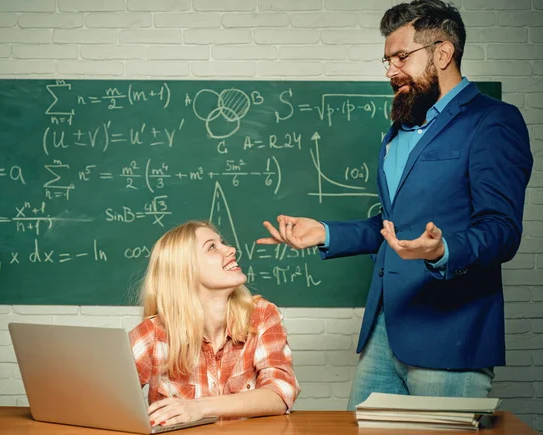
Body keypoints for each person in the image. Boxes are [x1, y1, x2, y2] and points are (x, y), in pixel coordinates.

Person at [258, 0, 533, 410]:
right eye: (386, 60)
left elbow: (502, 230)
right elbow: (393, 225)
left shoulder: (493, 121)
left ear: (443, 53)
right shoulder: (397, 132)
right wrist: (327, 233)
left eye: (401, 57)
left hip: (450, 338)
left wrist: (443, 250)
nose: (390, 70)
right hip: (385, 330)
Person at [129, 220, 300, 427]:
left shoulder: (262, 315)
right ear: (185, 270)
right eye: (212, 247)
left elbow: (281, 392)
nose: (231, 249)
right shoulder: (153, 333)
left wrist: (200, 407)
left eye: (223, 242)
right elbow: (107, 400)